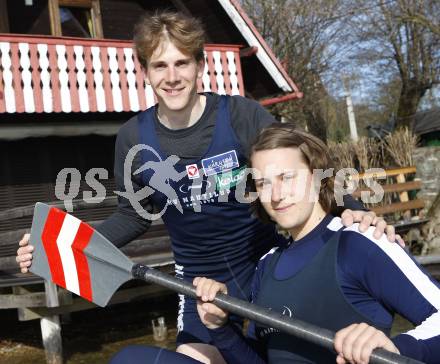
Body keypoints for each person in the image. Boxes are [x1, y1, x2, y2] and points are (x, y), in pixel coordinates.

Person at [16, 10, 401, 364]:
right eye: (160, 65)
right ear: (145, 71)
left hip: (268, 271)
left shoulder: (241, 115)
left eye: (182, 62)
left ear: (200, 65)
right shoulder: (133, 138)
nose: (172, 76)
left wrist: (353, 208)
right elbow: (132, 215)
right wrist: (57, 245)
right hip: (199, 287)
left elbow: (303, 167)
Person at [192, 123, 440, 363]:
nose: (276, 195)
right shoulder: (266, 266)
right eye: (263, 183)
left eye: (286, 177)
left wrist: (396, 349)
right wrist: (220, 327)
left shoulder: (359, 242)